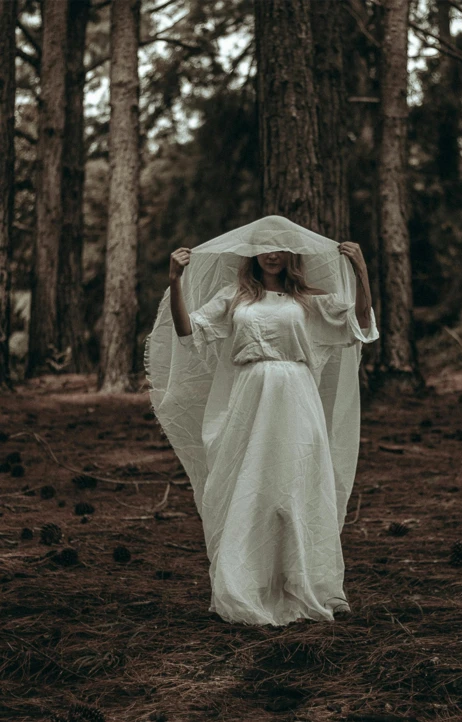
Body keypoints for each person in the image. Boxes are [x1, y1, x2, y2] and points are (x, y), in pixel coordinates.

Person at [144, 215, 379, 626]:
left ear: (290, 254)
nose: (271, 254)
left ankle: (302, 582)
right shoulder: (235, 296)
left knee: (295, 484)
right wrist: (174, 280)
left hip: (296, 393)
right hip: (250, 393)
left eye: (279, 247)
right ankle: (245, 584)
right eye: (263, 246)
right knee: (250, 484)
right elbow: (187, 331)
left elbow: (359, 324)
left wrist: (360, 270)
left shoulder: (309, 300)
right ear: (253, 253)